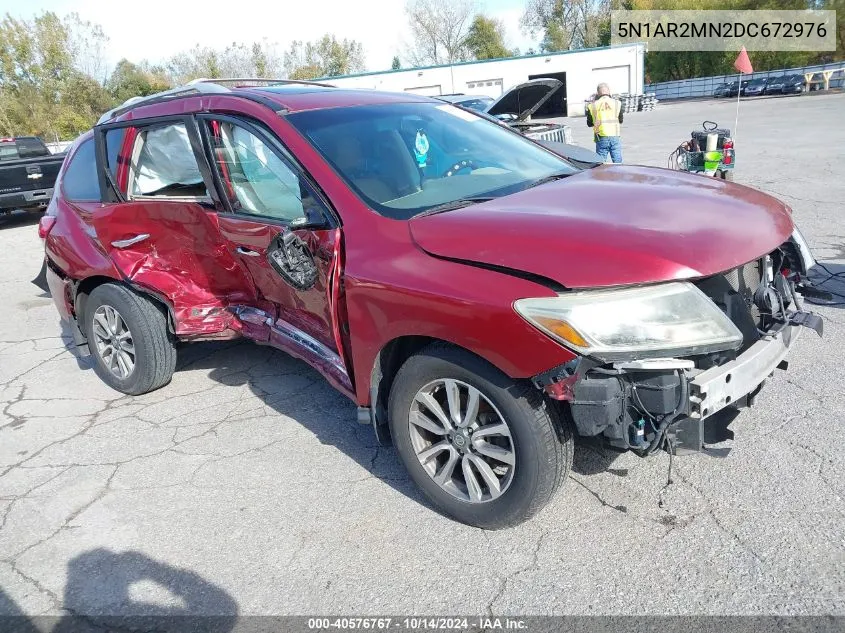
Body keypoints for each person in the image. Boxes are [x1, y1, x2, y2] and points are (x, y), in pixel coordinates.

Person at [586, 83, 623, 163]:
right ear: (609, 92)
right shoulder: (617, 103)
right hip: (615, 136)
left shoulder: (592, 105)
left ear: (598, 93)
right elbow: (621, 120)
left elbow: (589, 123)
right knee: (618, 161)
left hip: (601, 137)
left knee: (601, 163)